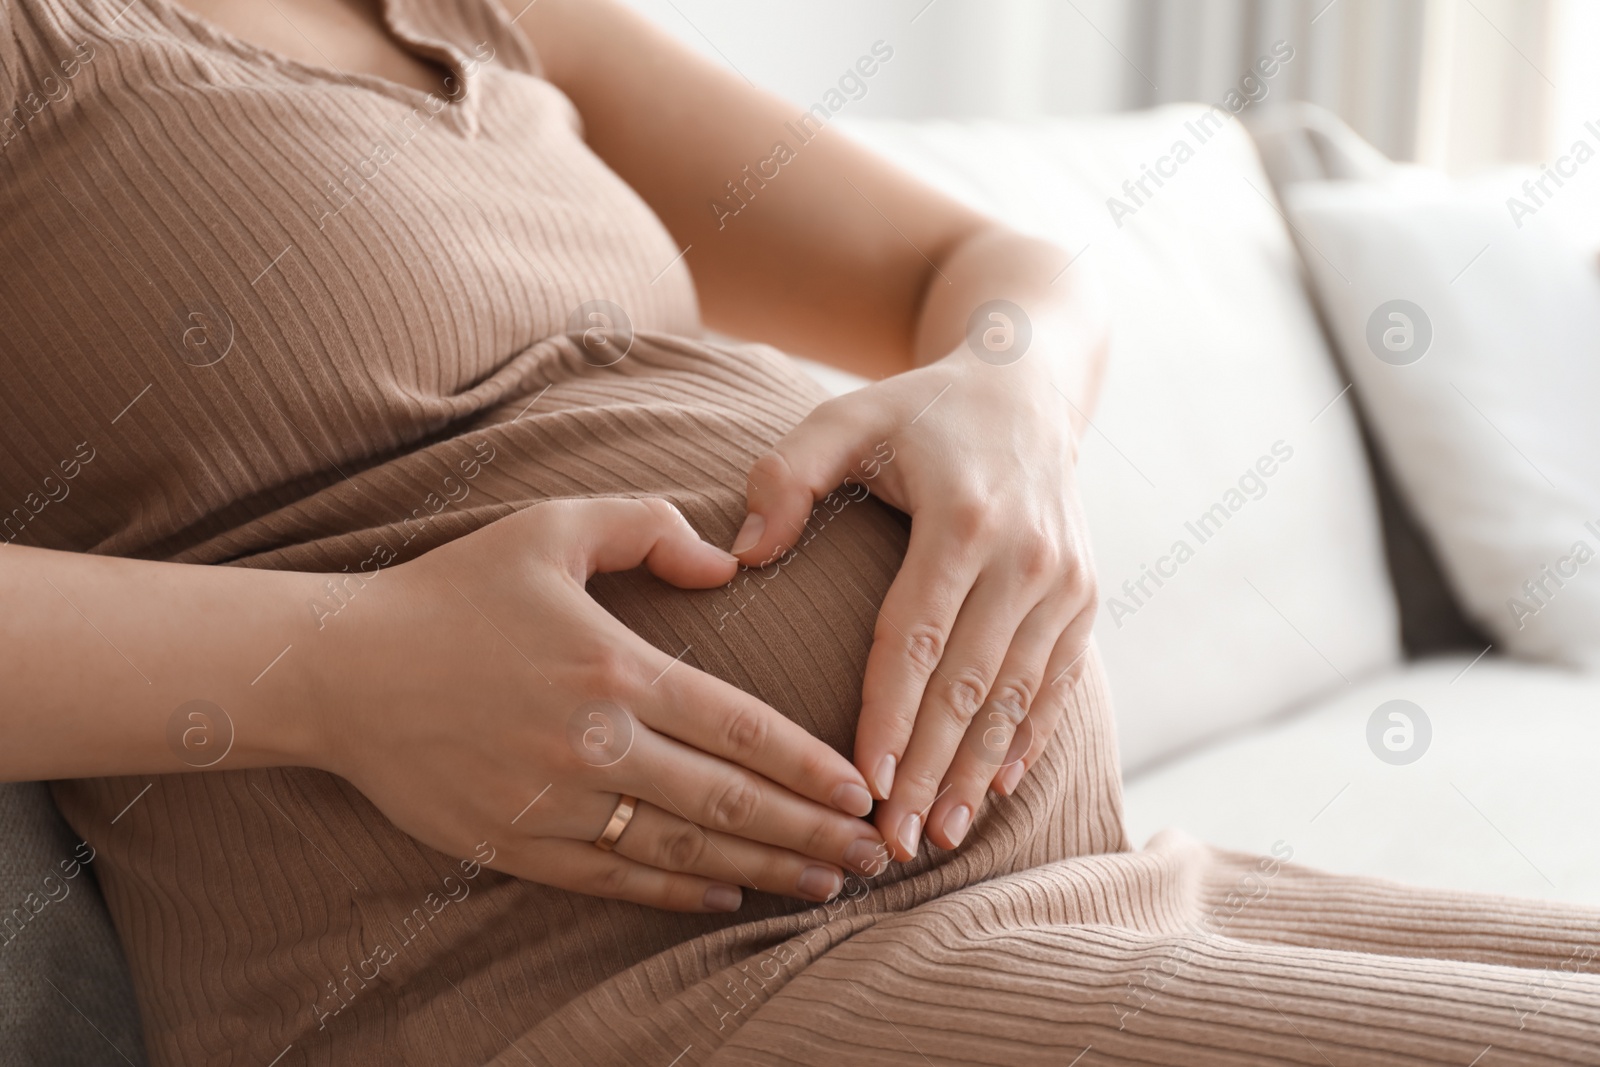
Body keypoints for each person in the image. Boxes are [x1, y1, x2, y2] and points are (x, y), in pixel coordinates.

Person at [1, 0, 1596, 1063]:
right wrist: (329, 669)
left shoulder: (476, 13)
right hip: (595, 1001)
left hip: (1085, 900)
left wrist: (1012, 399)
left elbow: (984, 263)